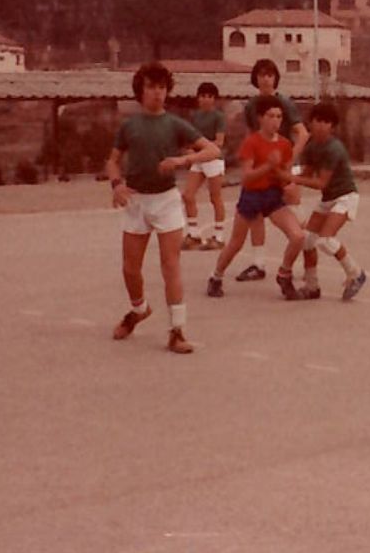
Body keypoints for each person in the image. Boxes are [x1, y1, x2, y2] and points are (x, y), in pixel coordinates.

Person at [107, 62, 220, 354]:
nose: (157, 93)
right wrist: (117, 185)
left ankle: (177, 331)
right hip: (136, 201)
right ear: (140, 91)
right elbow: (112, 160)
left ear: (167, 91)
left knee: (171, 265)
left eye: (161, 87)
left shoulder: (175, 124)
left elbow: (212, 149)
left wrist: (183, 161)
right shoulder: (129, 126)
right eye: (150, 87)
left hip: (167, 201)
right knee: (130, 268)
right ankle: (139, 310)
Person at [207, 96, 306, 300]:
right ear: (260, 118)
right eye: (271, 116)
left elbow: (284, 173)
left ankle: (284, 274)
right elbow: (247, 176)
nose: (275, 121)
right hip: (252, 196)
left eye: (279, 116)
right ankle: (215, 276)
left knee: (298, 236)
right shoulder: (252, 142)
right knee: (236, 243)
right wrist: (268, 166)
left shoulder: (285, 145)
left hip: (273, 196)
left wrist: (292, 184)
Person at [234, 59, 309, 282]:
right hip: (261, 167)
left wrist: (287, 162)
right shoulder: (251, 106)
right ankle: (258, 263)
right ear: (255, 78)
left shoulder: (284, 103)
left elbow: (303, 134)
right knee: (255, 213)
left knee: (295, 214)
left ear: (276, 78)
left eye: (270, 74)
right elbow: (250, 136)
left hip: (284, 165)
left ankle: (309, 259)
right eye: (261, 74)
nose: (266, 78)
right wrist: (249, 165)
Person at [291, 103, 367, 301]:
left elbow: (320, 183)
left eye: (326, 122)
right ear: (311, 121)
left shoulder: (334, 148)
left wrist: (290, 178)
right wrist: (285, 174)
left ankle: (356, 273)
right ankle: (311, 286)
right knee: (307, 239)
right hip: (328, 199)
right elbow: (306, 173)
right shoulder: (311, 146)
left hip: (345, 196)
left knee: (325, 240)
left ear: (332, 126)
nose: (321, 126)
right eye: (317, 121)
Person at [181, 82, 228, 250]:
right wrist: (190, 150)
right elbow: (192, 138)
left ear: (214, 99)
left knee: (215, 197)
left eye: (209, 96)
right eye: (202, 96)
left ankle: (219, 236)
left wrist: (201, 150)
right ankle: (193, 234)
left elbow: (219, 141)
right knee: (188, 195)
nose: (205, 99)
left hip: (213, 160)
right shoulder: (195, 116)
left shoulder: (218, 117)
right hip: (199, 160)